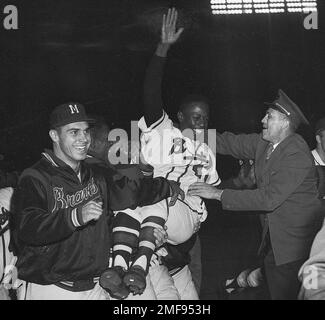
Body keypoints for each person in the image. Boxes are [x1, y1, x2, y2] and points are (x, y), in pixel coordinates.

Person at [10, 102, 183, 300]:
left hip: (94, 287)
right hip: (52, 289)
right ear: (54, 136)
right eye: (74, 132)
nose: (83, 138)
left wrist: (167, 187)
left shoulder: (97, 174)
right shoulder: (35, 177)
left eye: (85, 131)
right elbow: (27, 228)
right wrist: (74, 216)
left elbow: (131, 193)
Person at [188, 89, 323, 300]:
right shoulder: (265, 142)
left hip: (295, 248)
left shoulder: (296, 152)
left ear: (285, 123)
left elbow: (269, 198)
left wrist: (219, 194)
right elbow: (228, 142)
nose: (262, 119)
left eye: (269, 116)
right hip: (274, 241)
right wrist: (185, 134)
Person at [138, 7, 221, 299]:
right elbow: (150, 93)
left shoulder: (207, 151)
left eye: (206, 117)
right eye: (196, 117)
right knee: (154, 194)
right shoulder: (166, 132)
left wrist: (243, 183)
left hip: (185, 231)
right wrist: (163, 47)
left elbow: (212, 193)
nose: (202, 122)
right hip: (160, 216)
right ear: (180, 117)